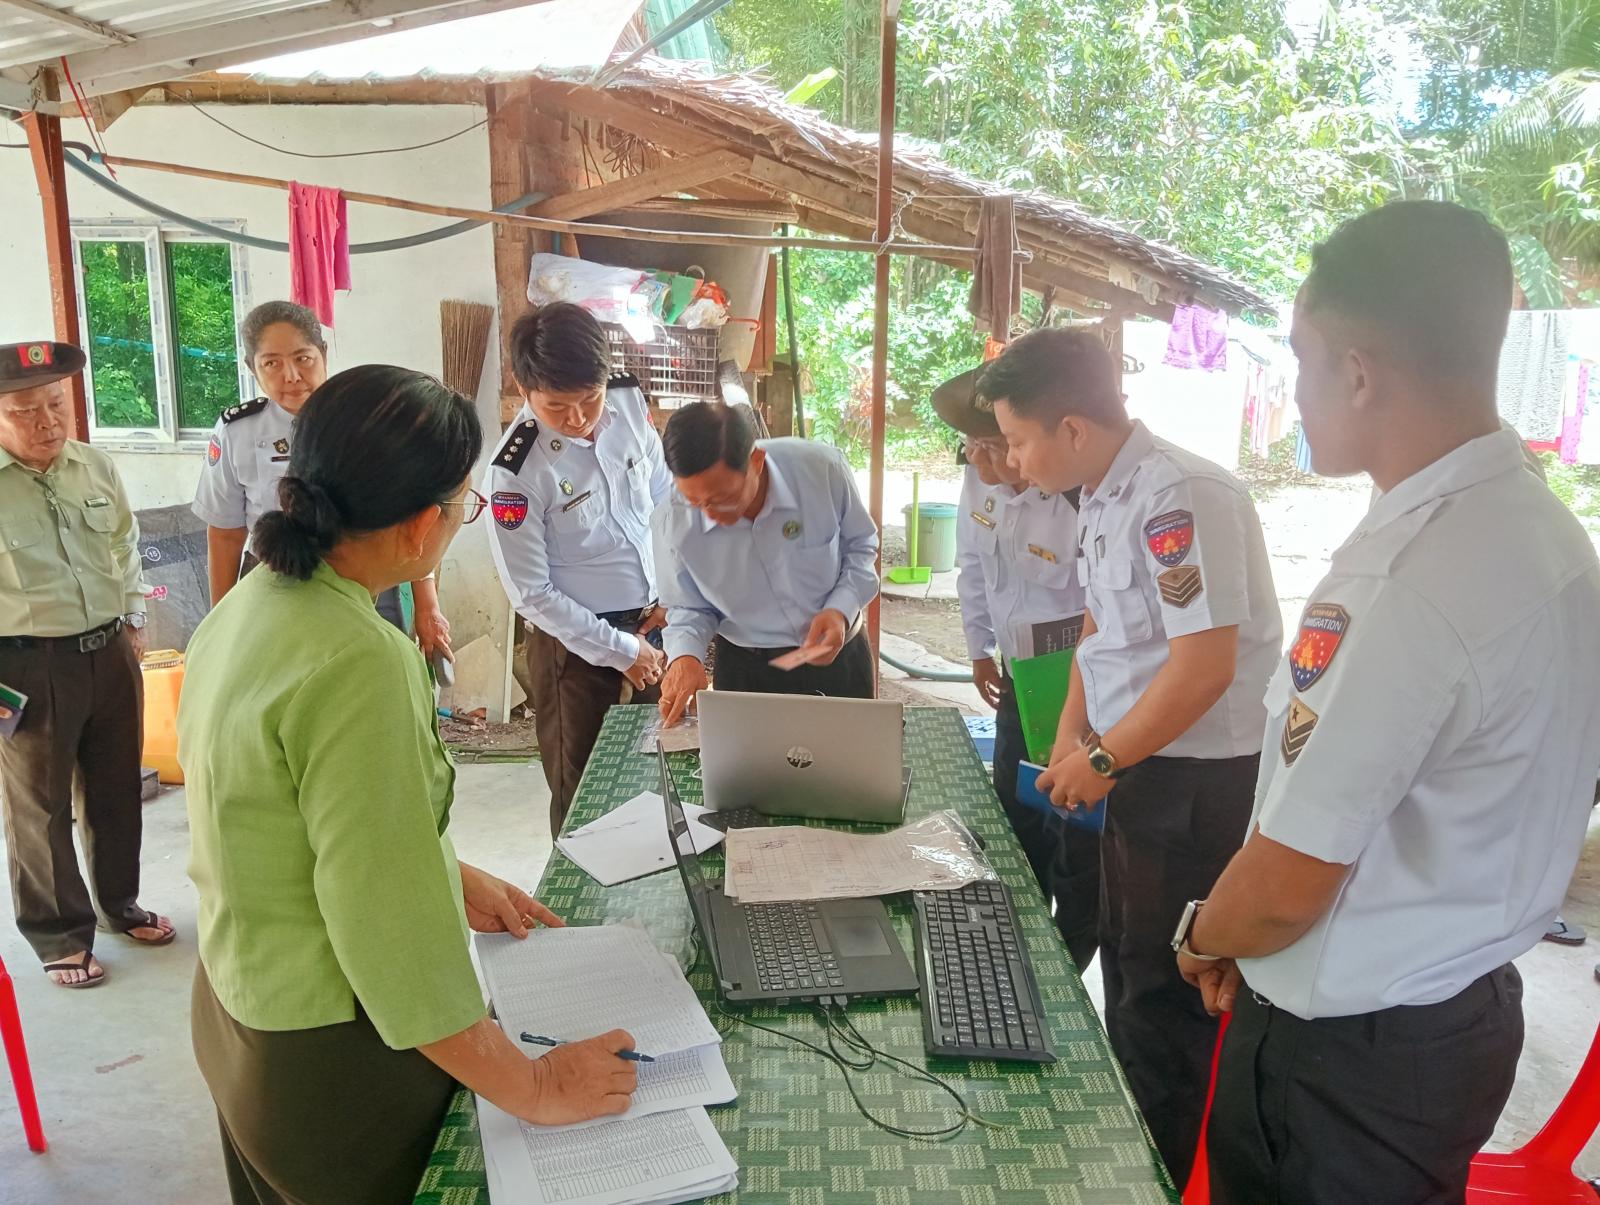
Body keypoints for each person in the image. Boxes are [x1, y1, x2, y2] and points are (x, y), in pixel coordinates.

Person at [1175, 202, 1600, 1204]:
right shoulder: (1545, 535)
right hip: (1458, 1018)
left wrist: (1205, 934)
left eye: (1300, 356)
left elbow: (1286, 884)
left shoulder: (1408, 580)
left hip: (1348, 1063)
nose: (1295, 388)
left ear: (1358, 371)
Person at [179, 365, 638, 1204]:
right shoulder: (361, 657)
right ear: (425, 523)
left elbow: (281, 814)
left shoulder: (245, 606)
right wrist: (534, 1084)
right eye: (464, 503)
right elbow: (383, 926)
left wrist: (440, 870)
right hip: (332, 1054)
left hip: (236, 1014)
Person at [978, 327, 1282, 1187]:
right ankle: (1129, 1151)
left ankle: (1153, 1177)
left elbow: (1204, 667)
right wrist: (1072, 731)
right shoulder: (1104, 494)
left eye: (1018, 439)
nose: (1011, 459)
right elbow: (1100, 629)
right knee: (1125, 960)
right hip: (1140, 768)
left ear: (1073, 428)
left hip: (1196, 786)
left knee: (1163, 1001)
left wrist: (1104, 759)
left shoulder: (1180, 497)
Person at [0, 340, 174, 989]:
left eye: (56, 403)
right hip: (24, 664)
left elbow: (125, 543)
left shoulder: (94, 466)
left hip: (108, 651)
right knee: (38, 807)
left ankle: (118, 905)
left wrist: (132, 614)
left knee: (115, 787)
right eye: (25, 411)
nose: (47, 420)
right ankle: (58, 935)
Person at [484, 303, 673, 835]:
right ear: (524, 388)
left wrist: (673, 590)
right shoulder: (515, 472)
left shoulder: (627, 401)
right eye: (557, 406)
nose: (578, 418)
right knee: (585, 798)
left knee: (656, 773)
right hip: (577, 649)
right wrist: (622, 652)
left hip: (654, 623)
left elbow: (665, 497)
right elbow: (531, 592)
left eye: (589, 398)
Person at [938, 365, 1097, 969]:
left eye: (990, 447)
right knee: (1013, 816)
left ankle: (1068, 966)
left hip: (1079, 690)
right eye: (971, 445)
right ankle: (1013, 954)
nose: (976, 460)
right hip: (1018, 678)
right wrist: (979, 648)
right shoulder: (979, 482)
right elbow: (973, 566)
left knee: (1075, 838)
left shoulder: (1079, 500)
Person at [192, 300, 449, 656]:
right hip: (277, 581)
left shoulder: (369, 417)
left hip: (367, 578)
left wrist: (427, 604)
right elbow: (225, 533)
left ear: (323, 354)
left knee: (374, 668)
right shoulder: (237, 431)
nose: (292, 376)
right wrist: (221, 622)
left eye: (303, 358)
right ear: (252, 368)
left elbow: (408, 511)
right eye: (272, 363)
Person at [654, 401, 880, 725]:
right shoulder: (671, 521)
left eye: (723, 498)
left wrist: (840, 609)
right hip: (747, 671)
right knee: (749, 760)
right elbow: (687, 606)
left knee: (850, 755)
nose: (711, 514)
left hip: (839, 657)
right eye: (696, 502)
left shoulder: (821, 471)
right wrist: (685, 656)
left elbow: (861, 547)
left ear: (756, 461)